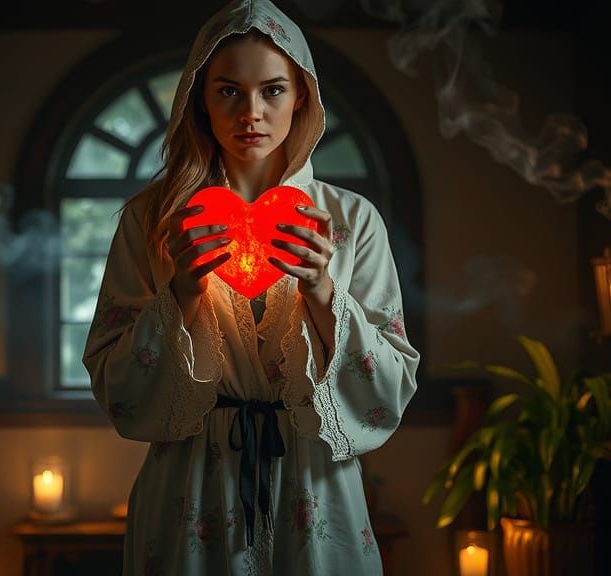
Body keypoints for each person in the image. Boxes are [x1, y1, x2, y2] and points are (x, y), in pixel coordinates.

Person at [83, 1, 420, 574]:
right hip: (189, 492)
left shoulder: (351, 220)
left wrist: (321, 292)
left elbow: (389, 388)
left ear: (302, 98)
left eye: (272, 90)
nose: (252, 113)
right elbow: (118, 389)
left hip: (315, 491)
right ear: (199, 98)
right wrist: (182, 294)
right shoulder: (152, 220)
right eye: (229, 91)